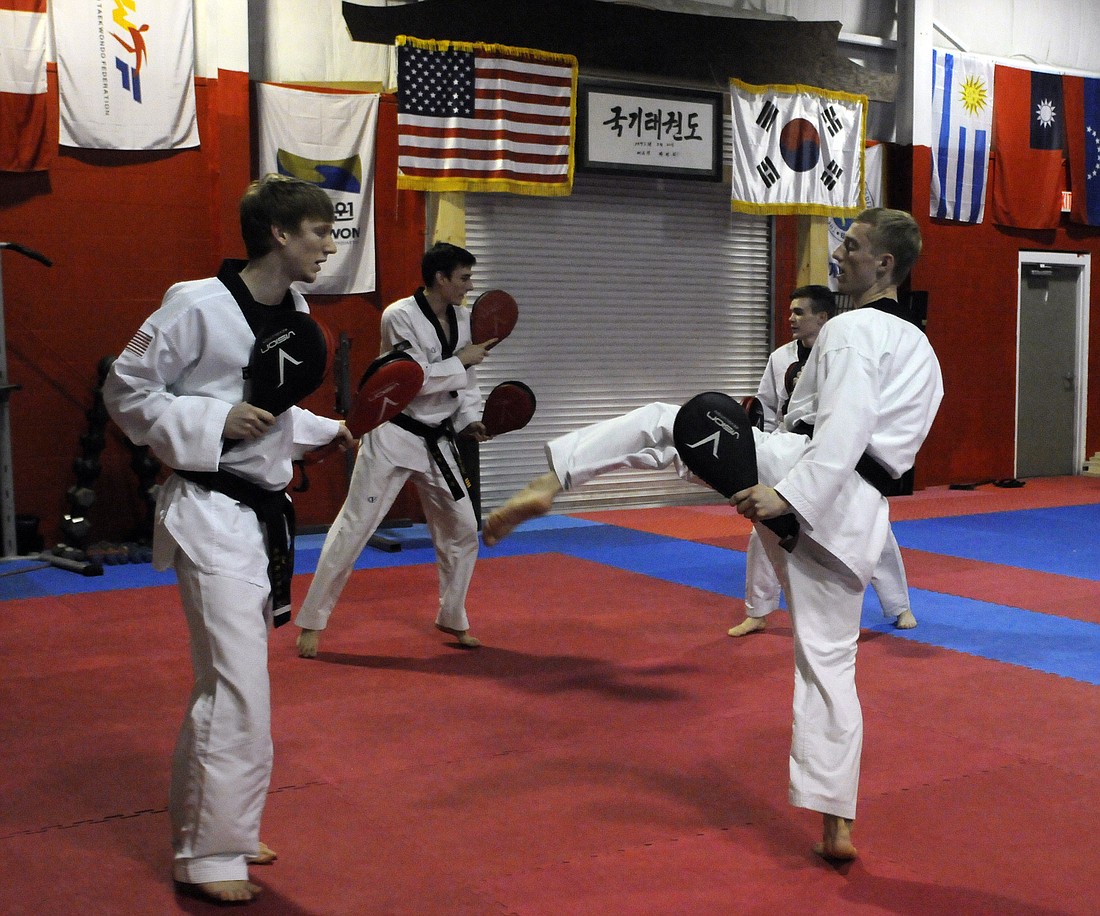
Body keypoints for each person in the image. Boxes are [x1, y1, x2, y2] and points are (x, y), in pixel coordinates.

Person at [482, 209, 943, 861]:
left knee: (666, 421)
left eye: (855, 247)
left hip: (806, 476)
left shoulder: (852, 330)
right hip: (860, 518)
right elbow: (880, 443)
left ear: (885, 265)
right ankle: (836, 820)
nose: (841, 254)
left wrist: (788, 495)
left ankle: (556, 477)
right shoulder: (922, 350)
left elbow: (847, 424)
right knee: (830, 664)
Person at [103, 175, 354, 903]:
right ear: (278, 233)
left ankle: (226, 830)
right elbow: (127, 390)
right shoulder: (195, 303)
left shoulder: (297, 312)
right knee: (238, 686)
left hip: (259, 517)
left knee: (235, 685)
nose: (327, 247)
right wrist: (214, 423)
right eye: (317, 233)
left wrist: (325, 430)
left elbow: (268, 415)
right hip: (208, 512)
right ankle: (206, 855)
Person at [295, 242, 496, 656]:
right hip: (394, 434)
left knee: (462, 527)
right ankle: (312, 621)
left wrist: (469, 420)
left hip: (438, 438)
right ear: (440, 278)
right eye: (464, 278)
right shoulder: (400, 315)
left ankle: (452, 615)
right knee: (356, 526)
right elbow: (412, 378)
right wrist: (461, 361)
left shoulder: (464, 320)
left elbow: (467, 383)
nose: (469, 286)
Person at [729, 284, 916, 637]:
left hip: (838, 453)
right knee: (762, 530)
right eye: (790, 311)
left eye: (800, 312)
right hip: (789, 447)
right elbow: (767, 406)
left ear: (823, 317)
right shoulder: (781, 358)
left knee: (874, 529)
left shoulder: (849, 351)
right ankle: (758, 611)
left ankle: (899, 605)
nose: (791, 319)